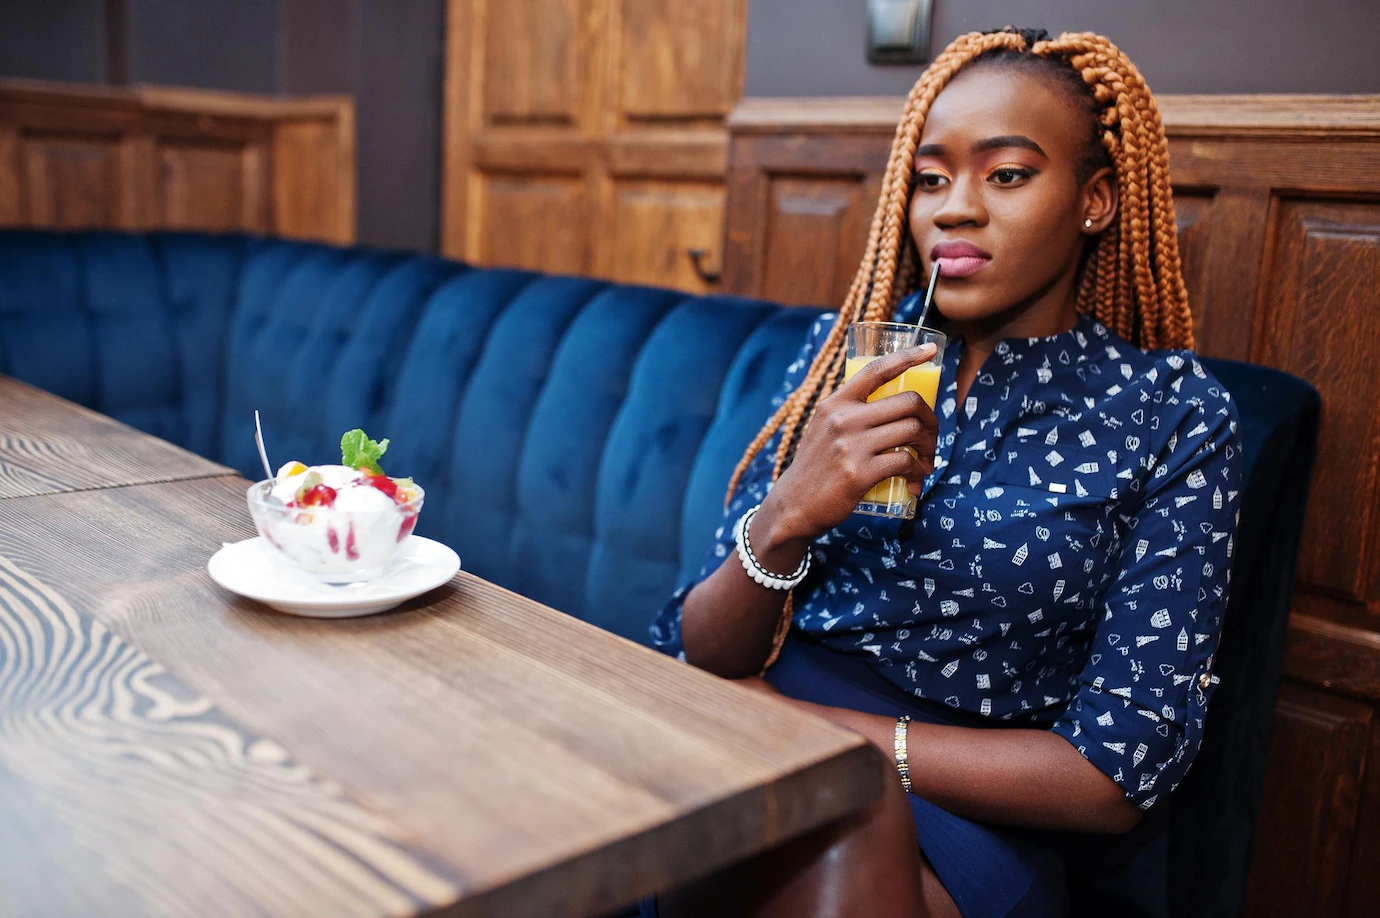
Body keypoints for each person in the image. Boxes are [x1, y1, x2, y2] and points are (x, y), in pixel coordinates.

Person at [644, 26, 1243, 918]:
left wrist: (833, 737)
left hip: (970, 808)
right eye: (930, 180)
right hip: (755, 721)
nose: (952, 210)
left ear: (1096, 201)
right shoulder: (847, 360)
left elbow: (1114, 775)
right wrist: (787, 515)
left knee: (834, 812)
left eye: (1005, 174)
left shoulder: (1171, 414)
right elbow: (699, 648)